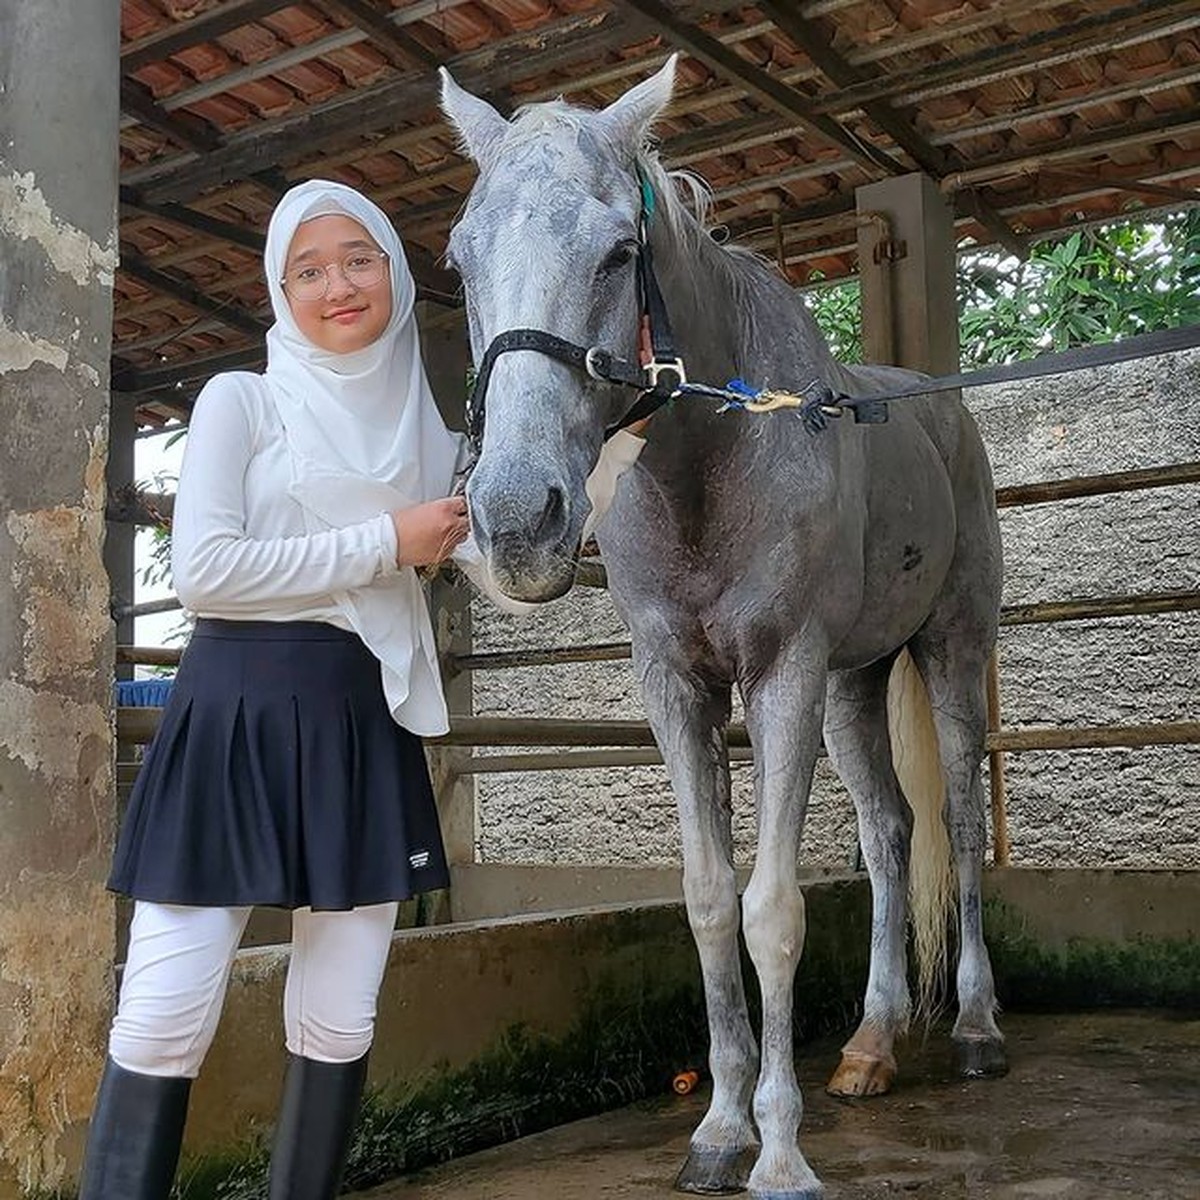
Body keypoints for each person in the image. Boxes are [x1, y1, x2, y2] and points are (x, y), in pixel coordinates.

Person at [80, 179, 647, 1200]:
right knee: (164, 1012)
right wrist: (387, 542)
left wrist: (617, 446)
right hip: (233, 712)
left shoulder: (428, 438)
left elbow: (502, 578)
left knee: (337, 1018)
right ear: (278, 287)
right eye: (308, 268)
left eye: (359, 259)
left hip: (358, 718)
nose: (337, 283)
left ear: (392, 268)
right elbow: (206, 571)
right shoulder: (237, 403)